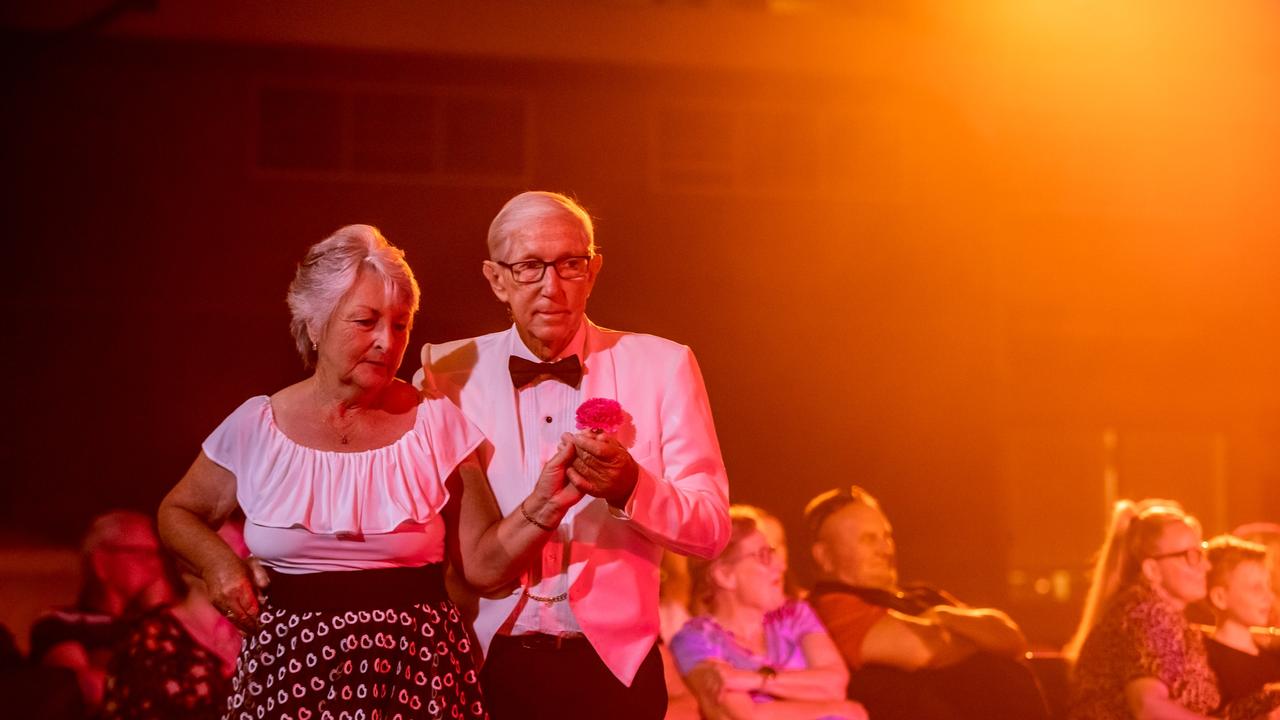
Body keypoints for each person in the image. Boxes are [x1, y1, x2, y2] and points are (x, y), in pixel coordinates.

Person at [158, 225, 586, 720]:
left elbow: (483, 566)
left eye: (401, 325)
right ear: (315, 325)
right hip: (291, 674)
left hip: (415, 675)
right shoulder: (258, 425)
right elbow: (177, 512)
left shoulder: (434, 421)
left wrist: (545, 504)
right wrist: (219, 566)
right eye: (365, 322)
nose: (387, 341)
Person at [414, 191, 731, 719]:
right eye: (530, 266)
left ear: (594, 270)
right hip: (485, 661)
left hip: (616, 668)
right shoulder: (447, 373)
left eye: (569, 264)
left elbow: (711, 531)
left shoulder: (662, 366)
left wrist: (632, 487)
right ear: (496, 279)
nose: (552, 286)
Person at [803, 486, 1048, 720]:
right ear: (824, 556)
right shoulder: (830, 608)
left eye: (886, 536)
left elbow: (1011, 637)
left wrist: (943, 616)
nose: (885, 549)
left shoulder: (923, 596)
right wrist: (978, 638)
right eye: (868, 539)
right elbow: (928, 648)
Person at [1066, 499, 1275, 720]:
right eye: (1191, 556)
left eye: (1201, 552)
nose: (1206, 566)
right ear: (1152, 570)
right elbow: (1148, 707)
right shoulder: (1146, 615)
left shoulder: (1163, 620)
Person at [671, 508, 866, 720]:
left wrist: (755, 680)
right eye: (763, 556)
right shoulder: (696, 639)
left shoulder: (793, 614)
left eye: (773, 552)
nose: (781, 566)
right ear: (725, 575)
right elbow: (745, 716)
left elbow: (835, 684)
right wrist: (841, 709)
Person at [100, 520, 251, 720]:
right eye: (225, 550)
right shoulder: (151, 640)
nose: (240, 561)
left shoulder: (257, 635)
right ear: (188, 565)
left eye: (243, 550)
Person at [29, 510, 171, 715]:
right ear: (101, 562)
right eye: (142, 553)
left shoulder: (158, 625)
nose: (155, 565)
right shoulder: (61, 623)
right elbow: (87, 690)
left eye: (157, 555)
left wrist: (160, 612)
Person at [1203, 534, 1280, 714]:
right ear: (1220, 598)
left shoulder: (1274, 656)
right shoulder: (1205, 660)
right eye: (1256, 588)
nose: (1269, 597)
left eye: (1268, 586)